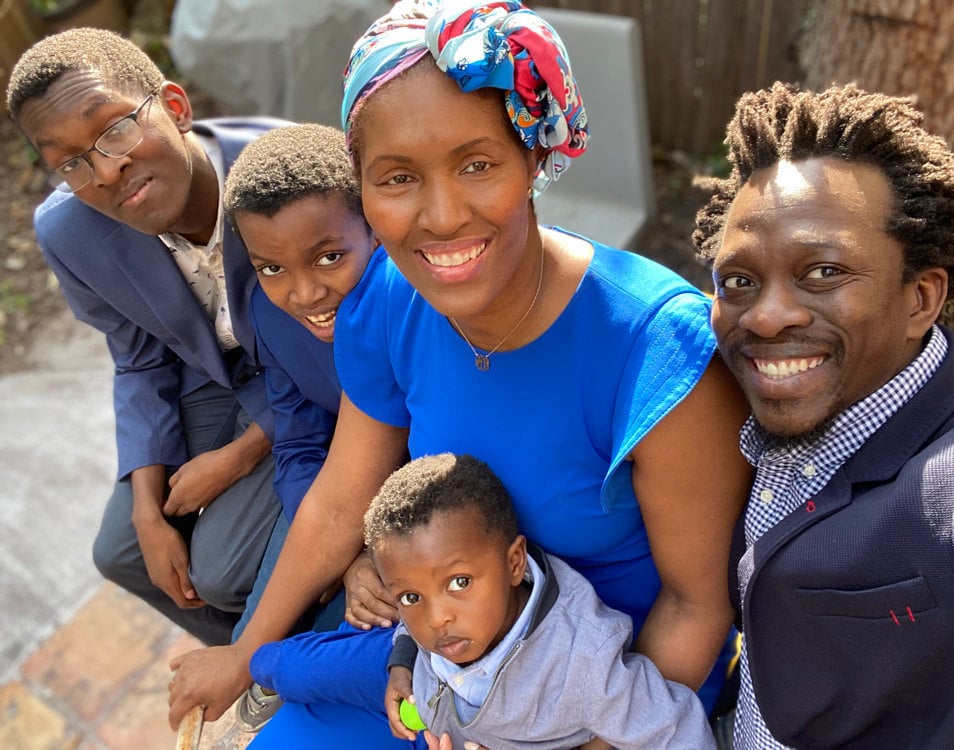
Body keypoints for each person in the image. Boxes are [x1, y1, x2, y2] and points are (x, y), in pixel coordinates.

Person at [168, 1, 752, 743]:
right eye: (398, 177)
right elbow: (343, 499)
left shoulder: (653, 352)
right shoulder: (389, 299)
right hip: (447, 658)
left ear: (535, 156)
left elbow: (695, 606)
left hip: (609, 694)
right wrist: (244, 653)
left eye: (477, 164)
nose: (440, 216)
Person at [692, 81, 954, 748]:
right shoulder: (720, 402)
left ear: (921, 298)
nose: (768, 316)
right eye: (739, 282)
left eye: (824, 272)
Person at [6, 29, 287, 648]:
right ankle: (255, 651)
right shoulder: (70, 231)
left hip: (310, 375)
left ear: (176, 108)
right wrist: (144, 503)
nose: (105, 171)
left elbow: (351, 340)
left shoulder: (280, 170)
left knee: (220, 570)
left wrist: (239, 456)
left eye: (114, 130)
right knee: (124, 551)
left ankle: (280, 642)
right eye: (71, 163)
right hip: (215, 376)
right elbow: (138, 361)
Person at [252, 452, 717, 749]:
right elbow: (415, 620)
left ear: (515, 563)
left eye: (459, 583)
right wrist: (403, 656)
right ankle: (258, 668)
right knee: (293, 669)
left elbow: (678, 733)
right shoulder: (436, 625)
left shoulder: (582, 667)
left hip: (444, 726)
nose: (437, 618)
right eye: (412, 596)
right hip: (409, 680)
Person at [222, 122, 379, 729]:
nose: (305, 292)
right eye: (271, 267)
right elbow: (297, 442)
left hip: (431, 512)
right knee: (262, 627)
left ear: (372, 225)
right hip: (339, 507)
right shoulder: (269, 316)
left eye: (329, 257)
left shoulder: (410, 301)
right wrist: (347, 559)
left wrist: (373, 547)